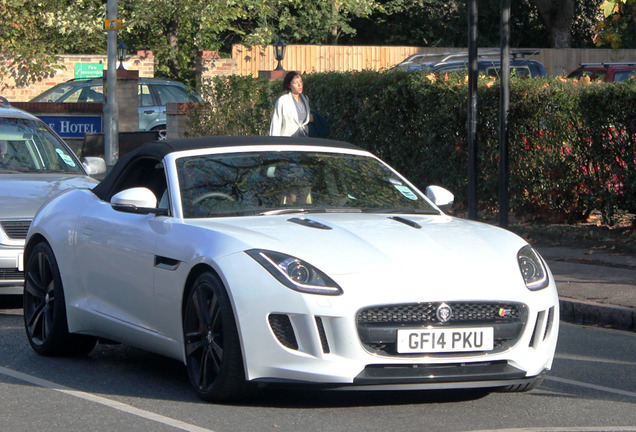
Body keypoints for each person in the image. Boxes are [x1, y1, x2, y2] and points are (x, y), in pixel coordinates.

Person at [270, 71, 313, 137]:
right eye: (296, 83)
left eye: (301, 81)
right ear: (289, 85)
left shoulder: (305, 99)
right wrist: (274, 142)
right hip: (288, 140)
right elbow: (276, 123)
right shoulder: (283, 101)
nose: (299, 85)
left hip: (304, 138)